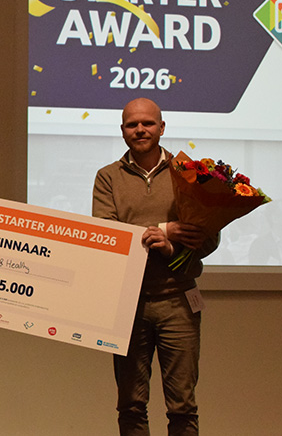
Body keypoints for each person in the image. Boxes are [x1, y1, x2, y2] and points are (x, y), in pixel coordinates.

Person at [92, 97, 218, 436]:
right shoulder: (107, 178)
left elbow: (209, 240)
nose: (140, 130)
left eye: (147, 123)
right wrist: (164, 229)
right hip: (128, 304)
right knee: (131, 406)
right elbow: (106, 237)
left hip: (179, 302)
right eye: (132, 124)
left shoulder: (189, 174)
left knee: (183, 408)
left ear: (162, 128)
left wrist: (171, 246)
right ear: (122, 131)